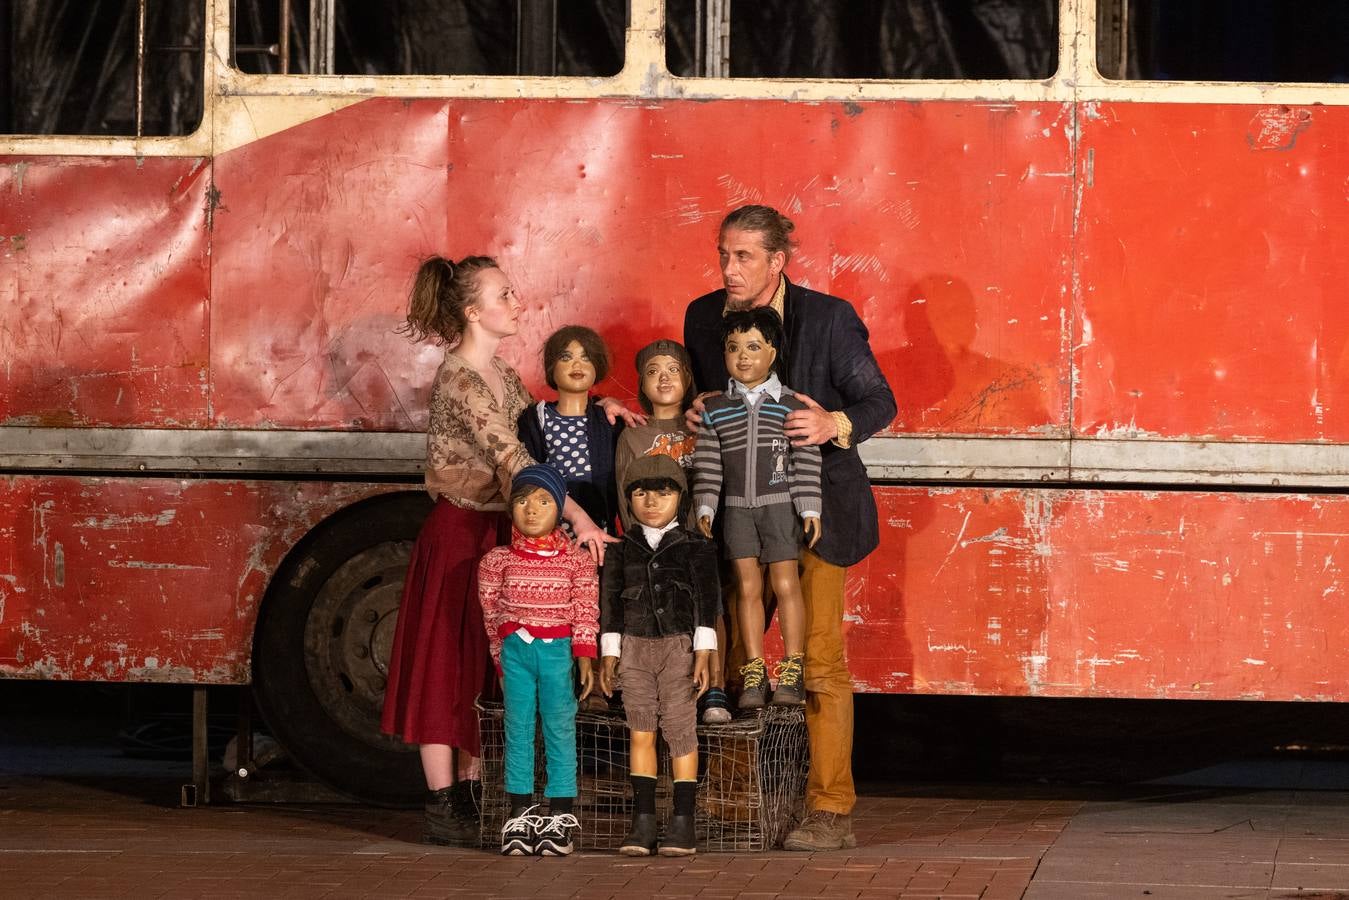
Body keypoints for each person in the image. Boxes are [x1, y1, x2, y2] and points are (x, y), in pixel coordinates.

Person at [683, 206, 897, 852]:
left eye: (743, 257)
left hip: (815, 513)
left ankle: (830, 809)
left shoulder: (827, 319)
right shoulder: (701, 317)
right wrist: (688, 408)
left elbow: (878, 401)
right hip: (739, 513)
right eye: (723, 254)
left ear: (778, 262)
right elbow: (698, 397)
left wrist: (833, 424)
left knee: (819, 660)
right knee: (731, 656)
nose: (728, 269)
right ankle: (729, 799)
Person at [380, 255, 613, 847]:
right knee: (445, 666)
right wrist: (578, 516)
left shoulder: (504, 374)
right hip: (459, 534)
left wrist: (600, 414)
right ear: (472, 311)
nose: (517, 303)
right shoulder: (459, 377)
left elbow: (538, 429)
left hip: (499, 533)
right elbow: (513, 457)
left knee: (490, 668)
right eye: (504, 295)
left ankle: (480, 791)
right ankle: (445, 801)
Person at [692, 307, 822, 710]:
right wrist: (706, 507)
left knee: (786, 585)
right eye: (733, 348)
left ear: (772, 353)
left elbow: (806, 460)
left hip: (780, 507)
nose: (743, 356)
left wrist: (809, 508)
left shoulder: (791, 405)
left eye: (753, 346)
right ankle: (753, 670)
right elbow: (709, 465)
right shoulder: (716, 410)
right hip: (737, 512)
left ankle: (793, 667)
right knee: (747, 589)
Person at [598, 454, 721, 857]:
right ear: (628, 499)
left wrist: (704, 653)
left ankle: (683, 821)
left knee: (681, 729)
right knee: (641, 730)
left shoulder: (695, 547)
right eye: (641, 493)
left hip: (678, 649)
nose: (652, 502)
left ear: (679, 498)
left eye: (663, 493)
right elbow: (610, 604)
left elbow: (707, 602)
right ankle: (644, 820)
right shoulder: (620, 549)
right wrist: (609, 653)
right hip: (633, 648)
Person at [478, 464, 598, 856]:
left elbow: (585, 609)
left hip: (557, 653)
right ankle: (520, 812)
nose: (532, 510)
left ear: (560, 508)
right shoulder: (496, 561)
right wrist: (500, 658)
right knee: (518, 728)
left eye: (544, 501)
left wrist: (584, 657)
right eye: (522, 501)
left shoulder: (576, 561)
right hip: (516, 653)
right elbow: (491, 613)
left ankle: (560, 815)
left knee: (559, 728)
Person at [612, 338, 732, 724]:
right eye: (652, 372)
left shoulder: (703, 423)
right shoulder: (633, 436)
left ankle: (715, 685)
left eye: (673, 370)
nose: (663, 378)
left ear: (688, 378)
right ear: (641, 385)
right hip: (655, 549)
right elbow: (623, 495)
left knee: (710, 609)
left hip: (700, 538)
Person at [518, 325, 624, 536]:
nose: (577, 364)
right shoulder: (536, 419)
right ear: (551, 368)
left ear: (597, 367)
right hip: (548, 534)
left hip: (599, 531)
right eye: (566, 357)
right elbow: (525, 477)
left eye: (586, 358)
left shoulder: (610, 420)